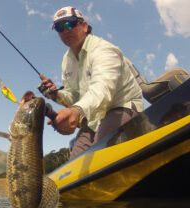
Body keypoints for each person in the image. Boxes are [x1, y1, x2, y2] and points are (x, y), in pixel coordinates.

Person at [39, 6, 143, 159]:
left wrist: (76, 111)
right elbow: (74, 96)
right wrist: (56, 94)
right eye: (60, 27)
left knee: (100, 156)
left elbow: (102, 89)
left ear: (84, 26)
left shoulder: (104, 50)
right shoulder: (66, 60)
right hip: (94, 117)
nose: (65, 30)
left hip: (121, 106)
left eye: (70, 24)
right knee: (75, 163)